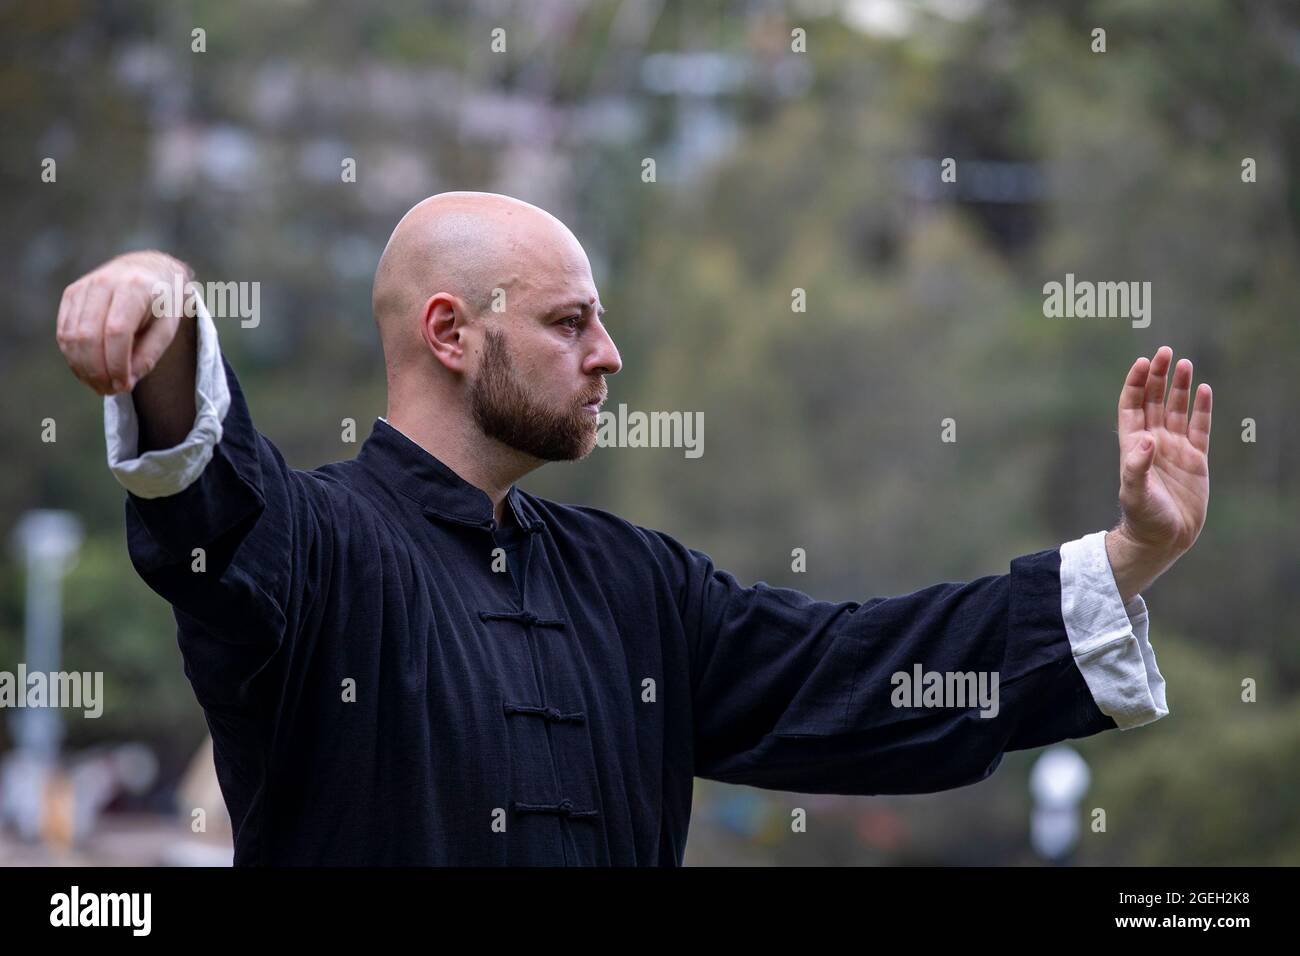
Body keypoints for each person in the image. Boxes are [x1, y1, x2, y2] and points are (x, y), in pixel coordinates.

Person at [55, 192, 1213, 865]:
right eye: (571, 323)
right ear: (451, 333)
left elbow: (858, 673)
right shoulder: (312, 551)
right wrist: (163, 302)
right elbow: (209, 492)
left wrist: (1128, 556)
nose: (609, 354)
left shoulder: (635, 583)